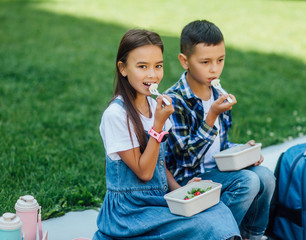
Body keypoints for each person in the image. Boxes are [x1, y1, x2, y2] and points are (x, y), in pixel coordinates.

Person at [93, 29, 240, 240]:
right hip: (129, 212)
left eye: (158, 66)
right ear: (123, 68)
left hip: (159, 199)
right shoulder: (116, 115)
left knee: (218, 210)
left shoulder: (155, 106)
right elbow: (144, 172)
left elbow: (159, 166)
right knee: (204, 224)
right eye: (142, 66)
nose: (152, 75)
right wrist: (158, 125)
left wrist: (181, 192)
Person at [164, 20, 276, 240]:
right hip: (190, 177)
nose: (214, 69)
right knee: (248, 181)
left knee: (266, 176)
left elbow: (220, 146)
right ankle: (218, 234)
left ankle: (251, 235)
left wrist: (243, 151)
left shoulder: (218, 94)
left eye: (220, 60)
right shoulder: (174, 101)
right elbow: (185, 158)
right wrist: (212, 115)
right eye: (205, 62)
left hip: (216, 169)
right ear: (184, 61)